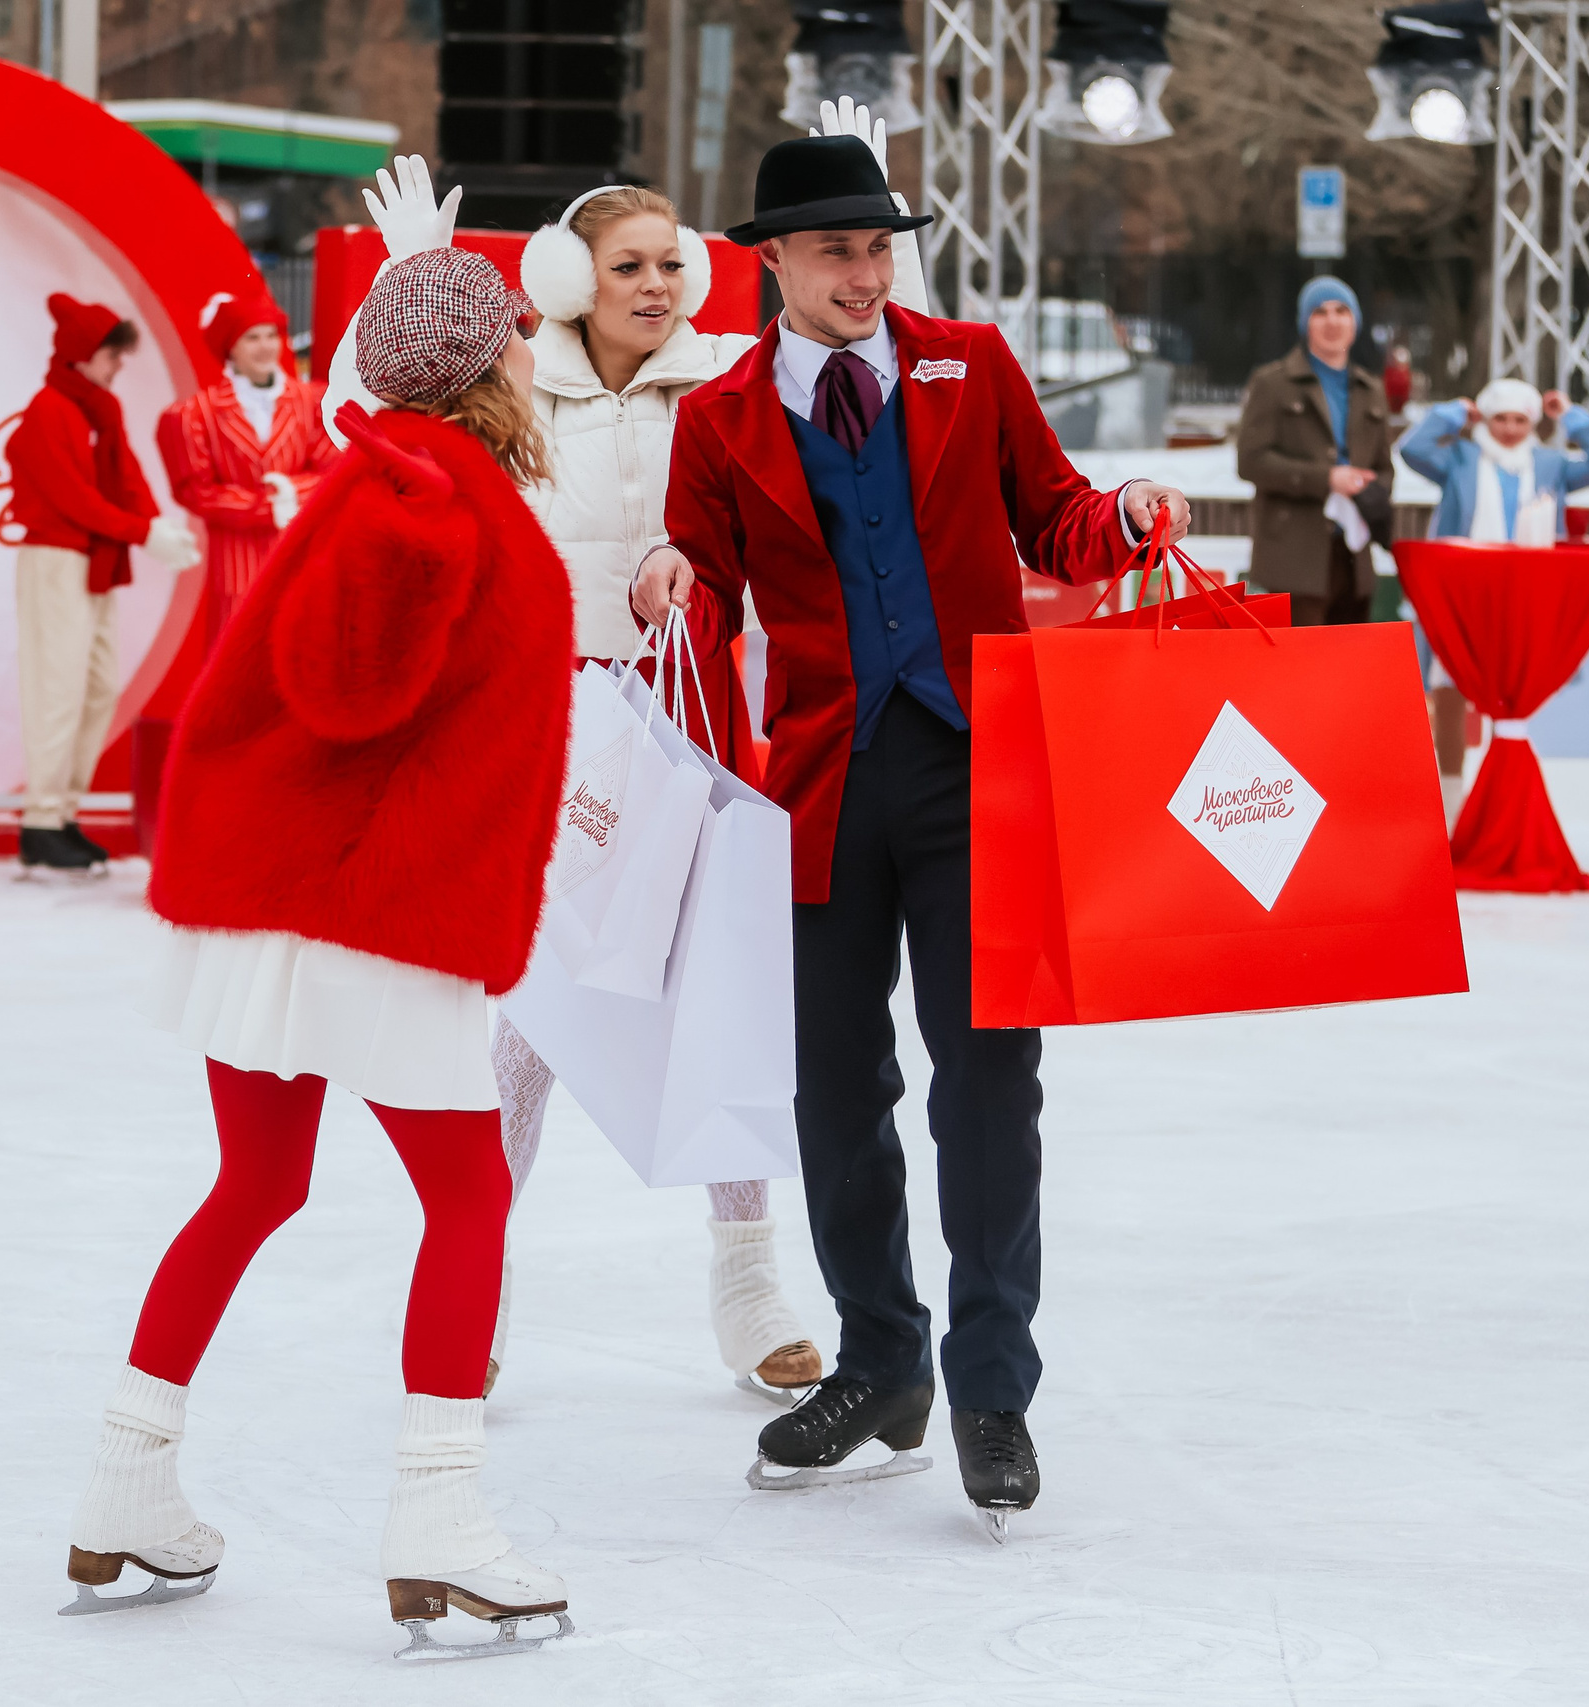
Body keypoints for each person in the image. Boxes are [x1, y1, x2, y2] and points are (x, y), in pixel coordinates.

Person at [631, 134, 1191, 1535]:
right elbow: (703, 599)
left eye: (881, 250)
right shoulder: (721, 418)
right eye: (837, 253)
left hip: (977, 772)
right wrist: (667, 577)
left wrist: (1118, 516)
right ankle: (881, 1359)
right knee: (835, 1093)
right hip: (820, 788)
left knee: (988, 1083)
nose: (867, 276)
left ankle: (990, 1383)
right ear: (772, 261)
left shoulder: (972, 363)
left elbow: (1054, 521)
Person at [62, 243, 581, 1661]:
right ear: (481, 368)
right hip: (368, 901)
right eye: (519, 336)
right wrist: (404, 538)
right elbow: (350, 685)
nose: (536, 355)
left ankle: (127, 1475)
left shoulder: (390, 472)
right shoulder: (422, 489)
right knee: (469, 1195)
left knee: (257, 1179)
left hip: (284, 894)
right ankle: (438, 1514)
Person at [498, 104, 929, 1408]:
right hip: (558, 733)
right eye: (624, 264)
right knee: (525, 1023)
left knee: (730, 1001)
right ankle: (476, 1282)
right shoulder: (516, 390)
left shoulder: (741, 375)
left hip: (695, 729)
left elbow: (894, 352)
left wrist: (869, 200)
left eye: (670, 262)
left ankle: (749, 1285)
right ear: (572, 279)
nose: (652, 285)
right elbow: (388, 428)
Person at [6, 294, 198, 873]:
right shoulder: (50, 411)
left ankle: (61, 813)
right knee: (56, 688)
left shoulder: (99, 410)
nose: (118, 366)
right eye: (112, 355)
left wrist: (154, 524)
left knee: (93, 690)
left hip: (93, 561)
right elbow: (72, 499)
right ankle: (41, 818)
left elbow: (126, 475)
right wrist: (144, 532)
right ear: (85, 354)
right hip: (57, 560)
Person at [1396, 377, 1589, 814]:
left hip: (1520, 593)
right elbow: (1413, 450)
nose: (1510, 428)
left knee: (1515, 691)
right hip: (1461, 592)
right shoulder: (1461, 457)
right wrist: (1452, 414)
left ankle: (1502, 798)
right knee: (1450, 688)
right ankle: (1451, 798)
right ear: (1485, 416)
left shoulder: (1550, 463)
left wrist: (1571, 417)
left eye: (1521, 419)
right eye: (1500, 418)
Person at [154, 285, 337, 647]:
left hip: (303, 559)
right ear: (230, 348)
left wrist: (294, 494)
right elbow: (196, 491)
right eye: (252, 337)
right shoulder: (195, 415)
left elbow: (335, 468)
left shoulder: (313, 401)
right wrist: (268, 506)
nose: (266, 346)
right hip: (237, 568)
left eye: (272, 335)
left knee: (301, 660)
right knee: (236, 664)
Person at [1235, 276, 1392, 625]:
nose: (1332, 321)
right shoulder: (1273, 383)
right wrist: (1326, 479)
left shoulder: (1371, 389)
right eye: (1320, 312)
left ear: (1356, 322)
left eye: (1342, 311)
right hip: (1294, 556)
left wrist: (1369, 486)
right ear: (1305, 323)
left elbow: (1384, 466)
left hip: (1354, 555)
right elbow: (1251, 461)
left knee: (1348, 670)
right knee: (1296, 671)